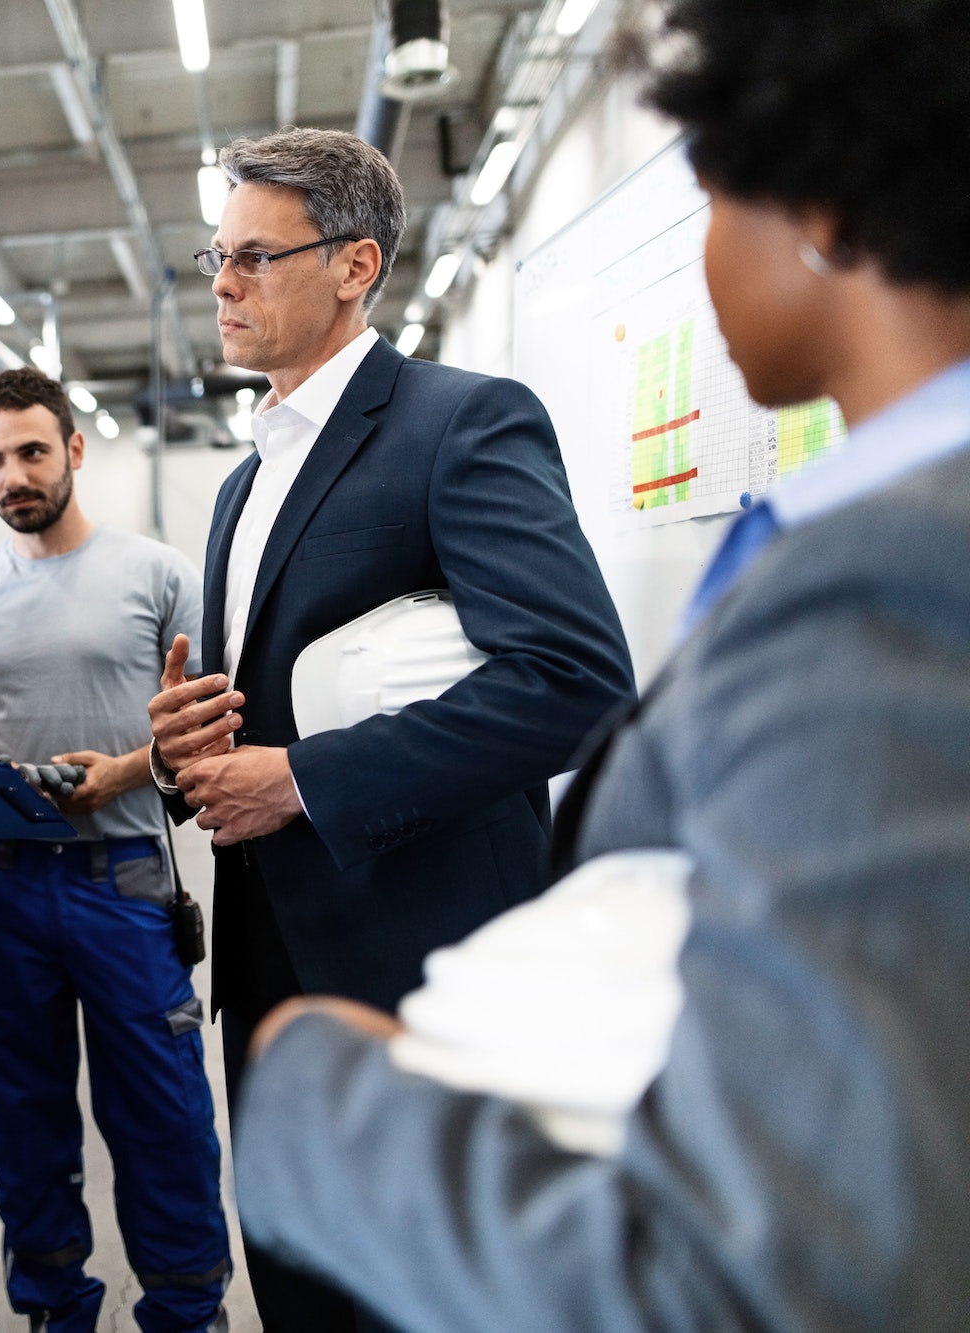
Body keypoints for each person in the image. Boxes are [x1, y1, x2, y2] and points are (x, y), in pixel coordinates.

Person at [229, 0, 970, 1328]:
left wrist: (314, 1094)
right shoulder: (866, 548)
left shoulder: (891, 589)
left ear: (836, 206)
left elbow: (780, 1263)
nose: (701, 253)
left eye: (716, 190)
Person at [142, 127, 636, 1331]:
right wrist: (182, 753)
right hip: (264, 977)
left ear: (355, 265)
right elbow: (251, 719)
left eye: (257, 258)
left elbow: (573, 678)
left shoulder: (459, 424)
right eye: (218, 255)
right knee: (300, 1287)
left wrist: (303, 781)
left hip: (419, 967)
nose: (222, 283)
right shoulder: (240, 482)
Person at [0, 368, 231, 1333]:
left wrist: (123, 772)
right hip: (3, 887)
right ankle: (55, 1312)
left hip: (124, 881)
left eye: (32, 451)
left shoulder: (157, 574)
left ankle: (184, 1313)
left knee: (163, 1121)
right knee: (25, 1123)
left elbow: (211, 720)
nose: (15, 475)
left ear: (75, 450)